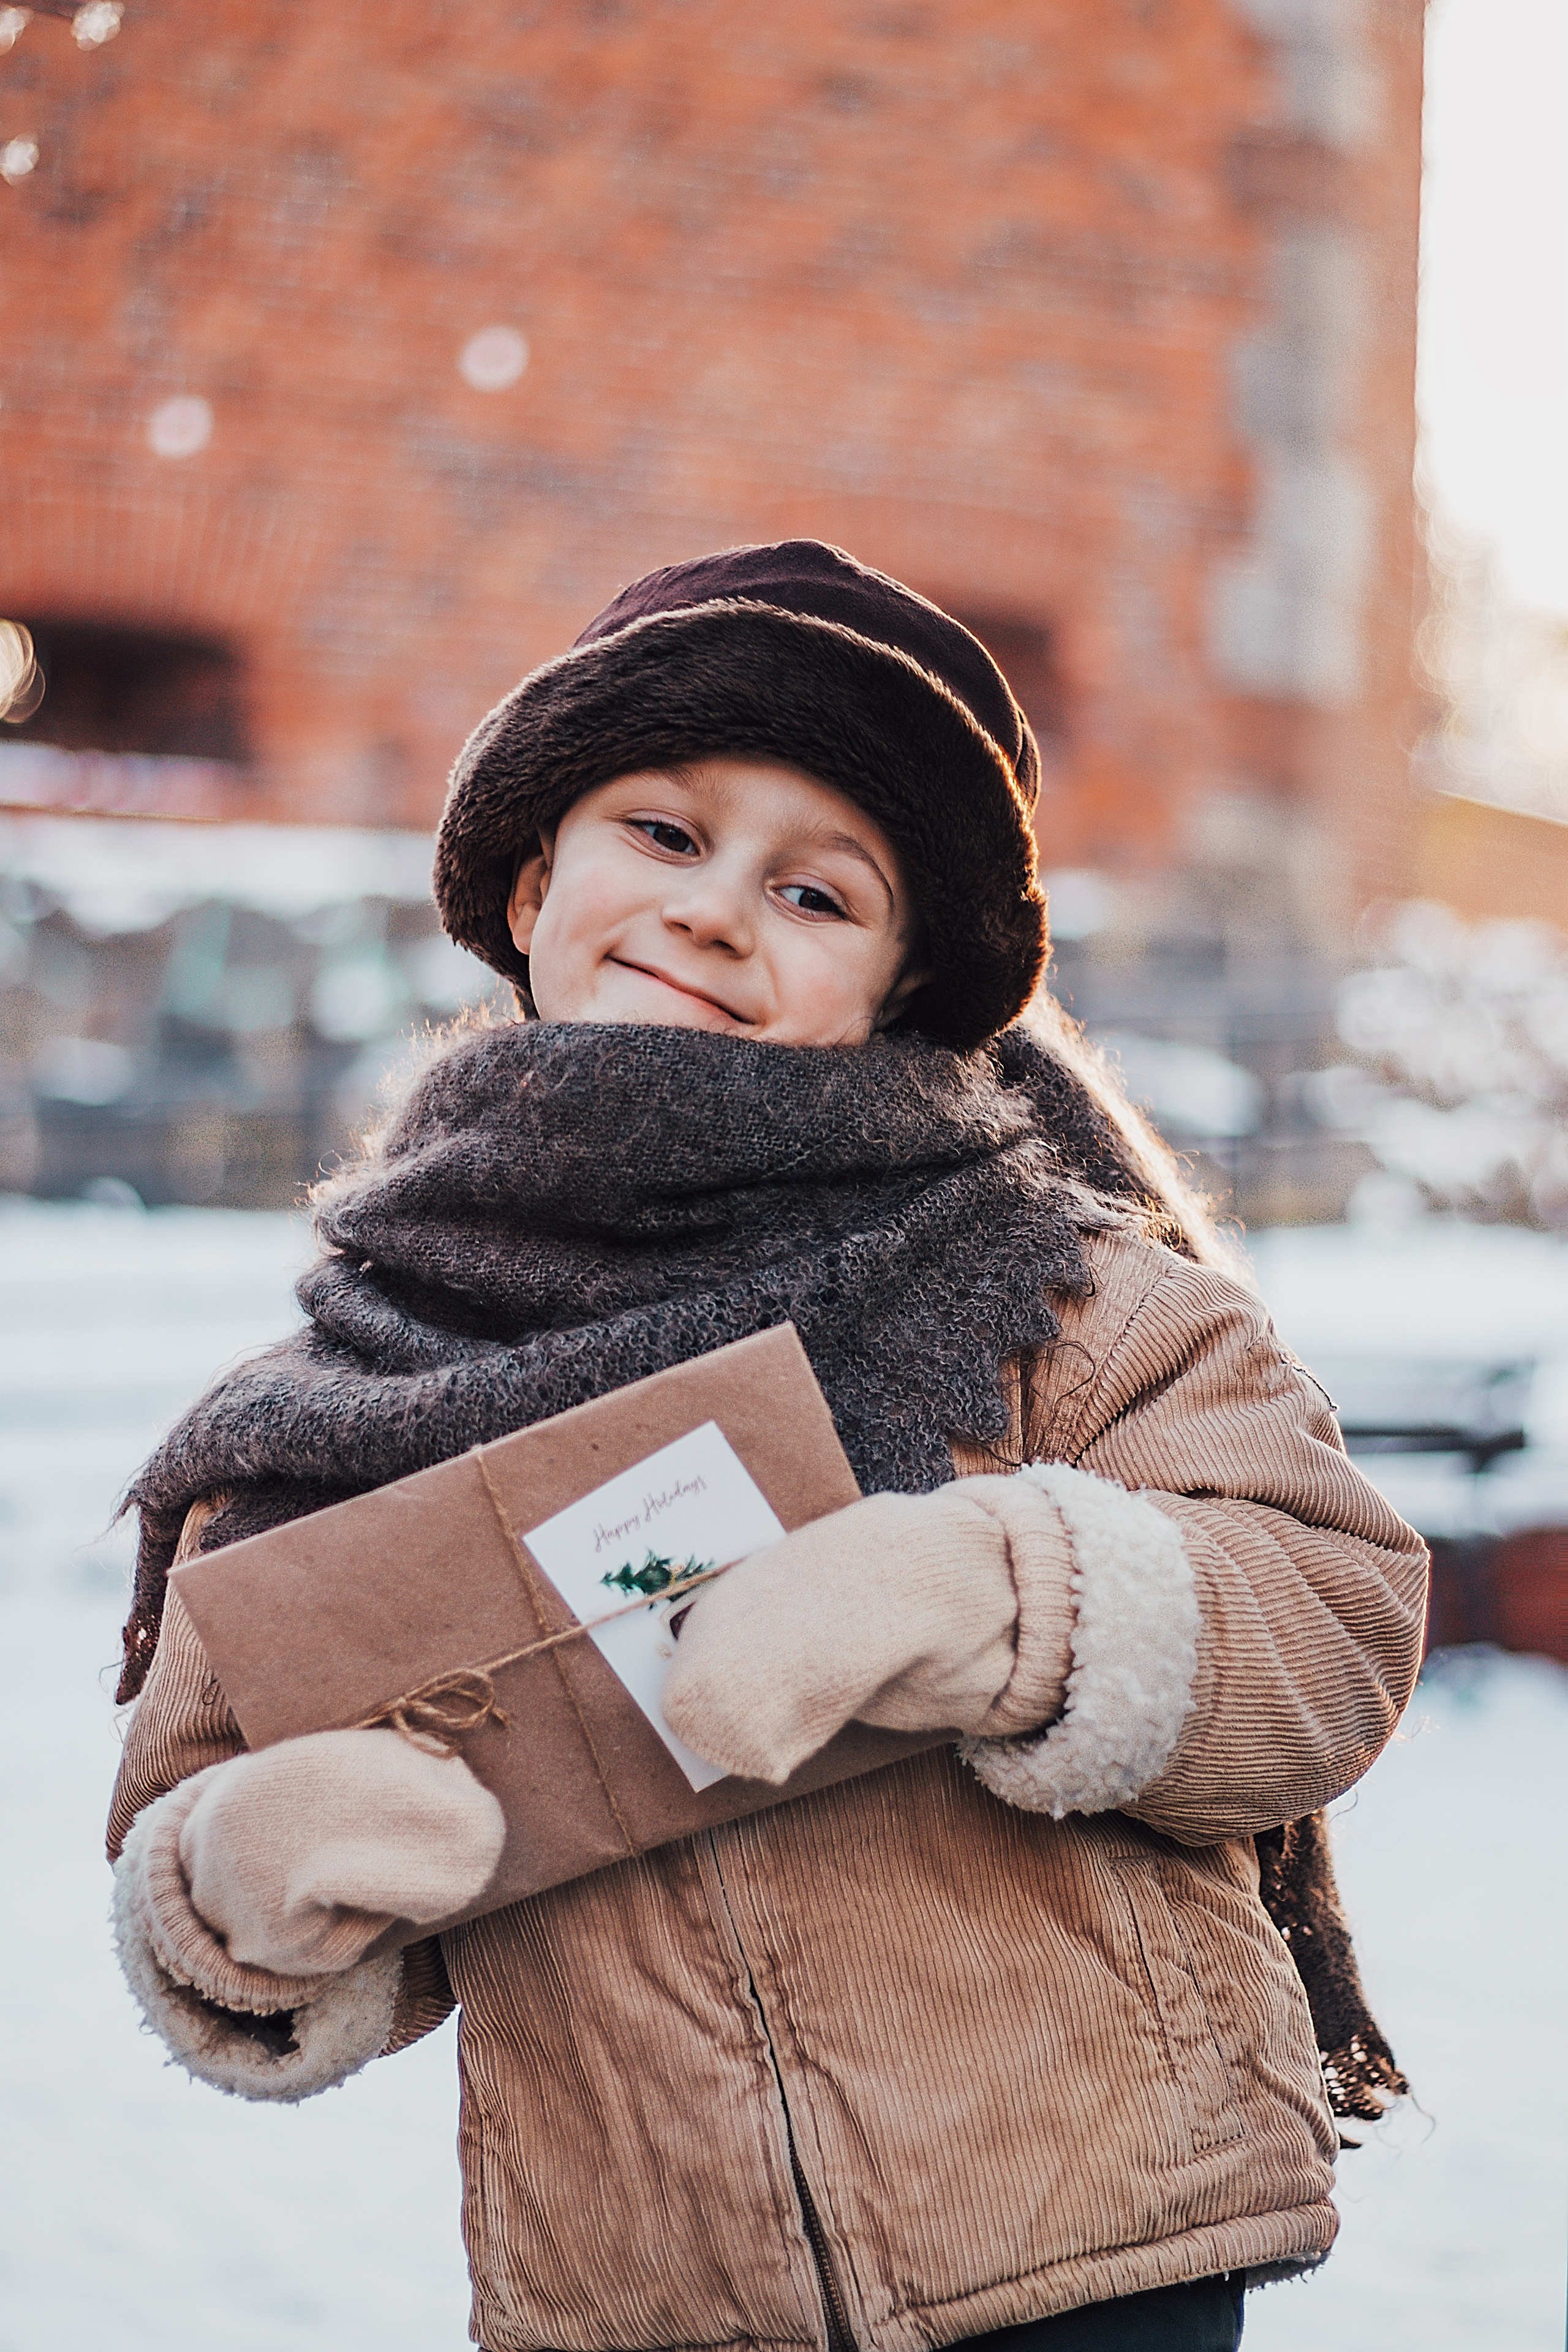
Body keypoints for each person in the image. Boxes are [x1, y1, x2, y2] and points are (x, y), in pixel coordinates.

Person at [107, 541, 1427, 2352]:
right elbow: (194, 1827)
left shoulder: (1051, 1288)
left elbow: (1335, 1609)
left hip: (1093, 2256)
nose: (721, 910)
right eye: (664, 833)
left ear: (900, 986)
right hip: (651, 2298)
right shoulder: (356, 1383)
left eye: (817, 892)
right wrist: (255, 1873)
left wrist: (1000, 1595)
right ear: (530, 872)